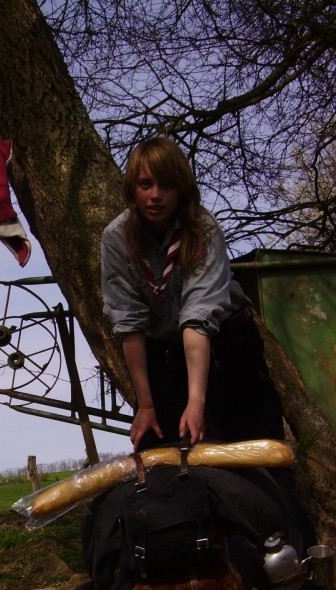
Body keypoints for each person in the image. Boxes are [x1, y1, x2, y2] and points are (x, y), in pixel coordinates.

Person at [101, 136, 284, 452]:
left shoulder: (203, 228)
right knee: (157, 447)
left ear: (181, 189)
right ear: (132, 189)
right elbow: (129, 323)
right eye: (146, 185)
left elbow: (198, 316)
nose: (156, 195)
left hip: (225, 338)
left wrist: (196, 401)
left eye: (166, 185)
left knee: (255, 444)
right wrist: (145, 405)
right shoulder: (116, 239)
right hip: (163, 349)